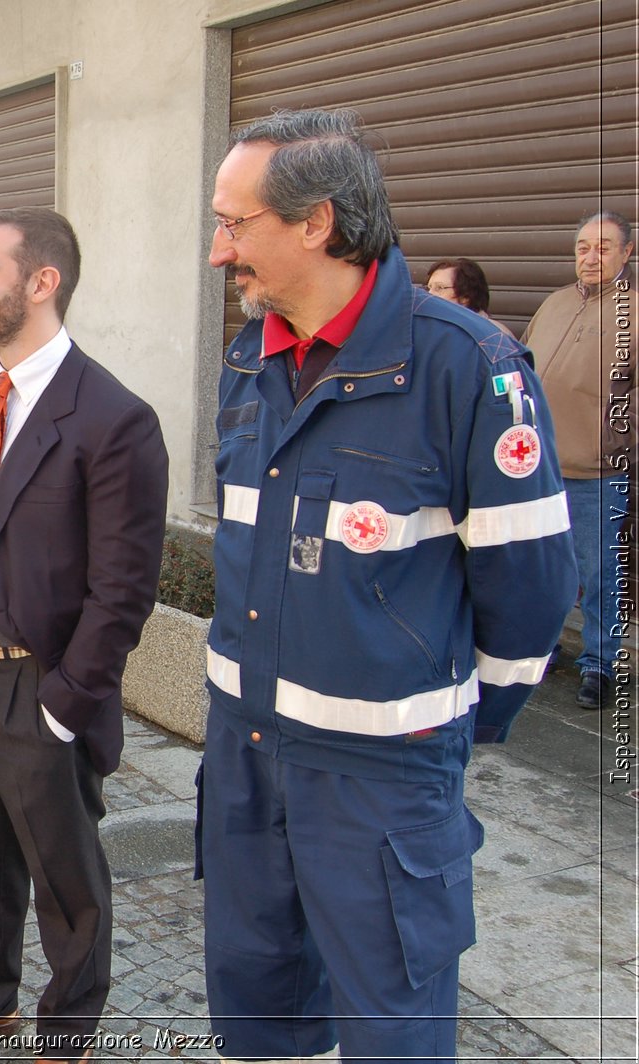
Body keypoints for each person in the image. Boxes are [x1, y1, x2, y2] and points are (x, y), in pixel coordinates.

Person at [201, 108, 577, 1064]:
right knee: (259, 1009)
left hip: (380, 776)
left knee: (392, 1029)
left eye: (234, 224)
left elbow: (531, 587)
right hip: (247, 752)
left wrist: (446, 723)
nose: (217, 251)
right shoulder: (251, 355)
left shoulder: (467, 367)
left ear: (317, 223)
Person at [0, 207, 168, 1064]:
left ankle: (68, 1031)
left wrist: (64, 704)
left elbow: (123, 590)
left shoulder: (114, 418)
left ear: (40, 283)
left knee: (66, 875)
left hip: (38, 685)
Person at [522, 211, 635, 709]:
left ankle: (600, 665)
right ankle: (541, 649)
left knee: (600, 574)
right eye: (583, 247)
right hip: (538, 470)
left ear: (627, 253)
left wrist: (616, 442)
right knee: (543, 572)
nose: (590, 257)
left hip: (599, 473)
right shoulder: (554, 303)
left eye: (604, 247)